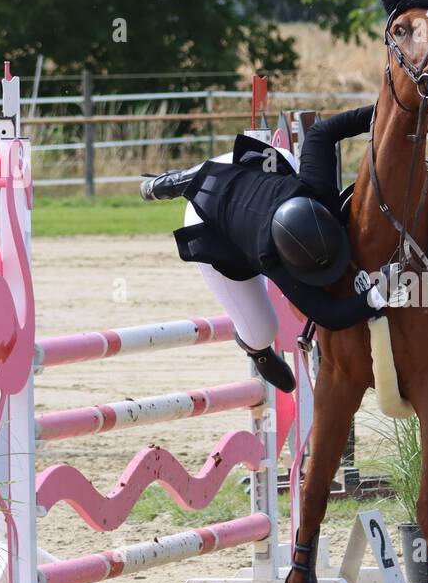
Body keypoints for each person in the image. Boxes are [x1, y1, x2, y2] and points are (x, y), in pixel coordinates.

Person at [140, 106, 409, 393]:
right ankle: (257, 352)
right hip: (209, 214)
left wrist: (394, 108)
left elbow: (323, 132)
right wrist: (377, 295)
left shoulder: (316, 190)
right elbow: (328, 315)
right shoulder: (271, 258)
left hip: (244, 167)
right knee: (262, 330)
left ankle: (189, 177)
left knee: (283, 157)